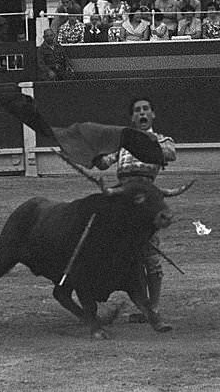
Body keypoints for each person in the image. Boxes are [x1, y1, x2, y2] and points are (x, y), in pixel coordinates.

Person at [94, 97, 176, 329]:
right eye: (137, 110)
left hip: (146, 205)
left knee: (150, 255)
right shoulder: (122, 143)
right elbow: (103, 163)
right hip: (121, 201)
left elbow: (170, 154)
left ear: (152, 115)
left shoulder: (162, 140)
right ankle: (102, 300)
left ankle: (154, 307)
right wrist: (92, 155)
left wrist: (144, 141)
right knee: (109, 249)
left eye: (146, 109)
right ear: (132, 117)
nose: (142, 113)